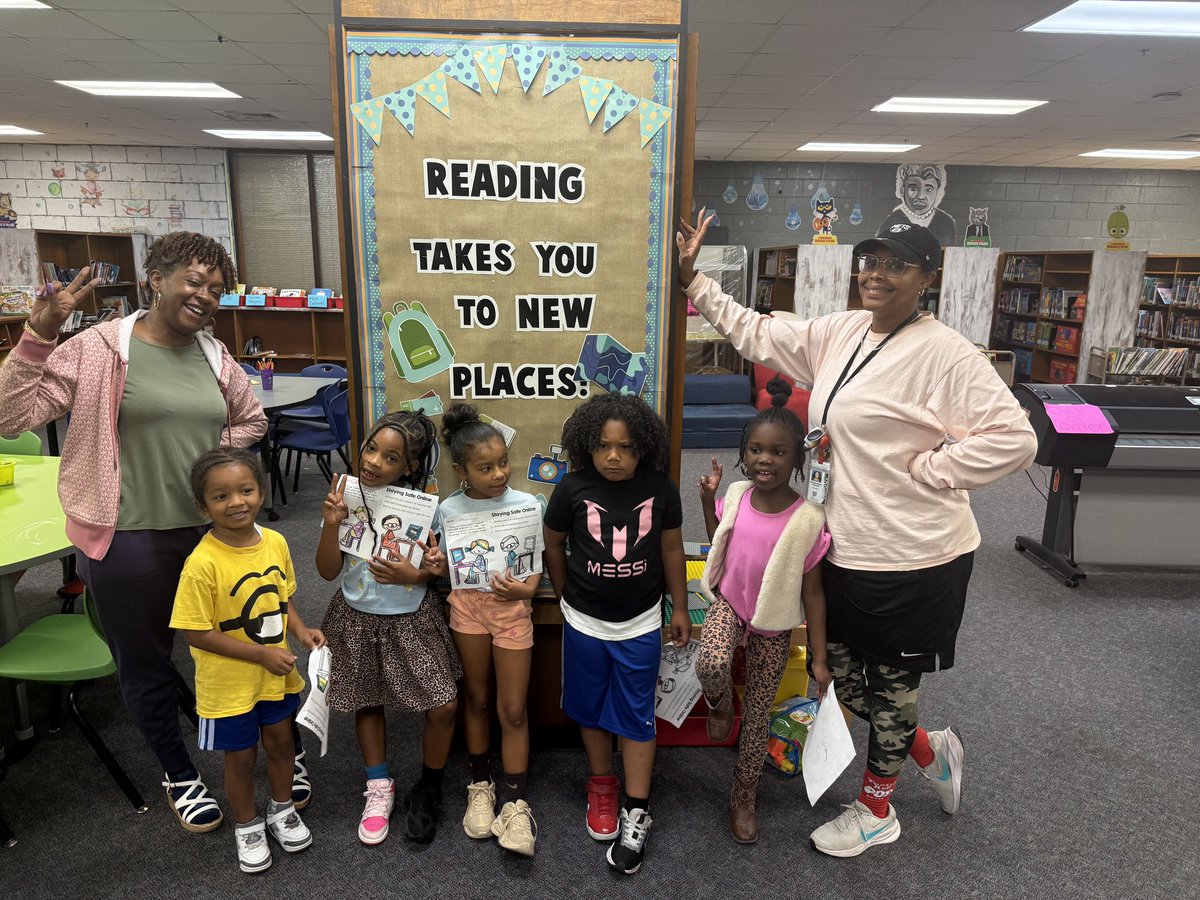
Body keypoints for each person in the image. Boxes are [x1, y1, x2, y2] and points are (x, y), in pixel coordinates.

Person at [678, 211, 1036, 858]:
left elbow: (1016, 440)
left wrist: (933, 469)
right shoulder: (841, 331)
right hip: (842, 545)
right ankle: (929, 749)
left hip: (914, 555)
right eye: (870, 261)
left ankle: (877, 810)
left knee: (892, 687)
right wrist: (694, 282)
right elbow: (759, 333)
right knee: (842, 679)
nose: (877, 274)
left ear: (927, 277)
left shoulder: (946, 353)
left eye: (896, 264)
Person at [0, 232, 315, 834]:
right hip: (127, 536)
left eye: (216, 289)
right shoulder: (97, 348)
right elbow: (11, 416)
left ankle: (281, 755)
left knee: (250, 640)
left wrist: (215, 472)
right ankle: (179, 772)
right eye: (194, 282)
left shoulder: (214, 355)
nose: (205, 296)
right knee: (147, 662)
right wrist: (37, 336)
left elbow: (249, 420)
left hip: (213, 536)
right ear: (157, 279)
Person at [543, 393, 690, 875]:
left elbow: (672, 550)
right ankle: (602, 785)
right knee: (589, 708)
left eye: (625, 448)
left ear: (642, 448)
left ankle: (636, 809)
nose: (613, 457)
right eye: (604, 446)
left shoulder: (662, 489)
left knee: (636, 714)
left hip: (642, 622)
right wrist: (564, 591)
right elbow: (554, 540)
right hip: (584, 621)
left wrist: (679, 606)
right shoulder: (571, 487)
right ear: (588, 446)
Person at [170, 449, 325, 873]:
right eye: (220, 496)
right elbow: (194, 631)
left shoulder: (274, 541)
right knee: (239, 759)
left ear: (261, 491)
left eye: (245, 490)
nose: (236, 502)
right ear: (203, 506)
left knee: (280, 746)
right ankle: (248, 825)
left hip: (275, 677)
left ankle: (280, 810)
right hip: (228, 687)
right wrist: (260, 653)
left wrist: (300, 630)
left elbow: (282, 597)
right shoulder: (201, 563)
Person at [694, 378, 832, 844]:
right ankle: (718, 706)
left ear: (797, 460)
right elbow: (721, 539)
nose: (764, 460)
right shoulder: (735, 494)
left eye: (777, 453)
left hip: (774, 624)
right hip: (730, 603)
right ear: (742, 453)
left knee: (758, 714)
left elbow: (813, 593)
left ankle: (744, 795)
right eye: (754, 450)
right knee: (710, 661)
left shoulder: (807, 518)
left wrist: (817, 657)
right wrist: (705, 502)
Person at [315, 410, 459, 847]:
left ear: (409, 467)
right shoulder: (345, 496)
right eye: (371, 448)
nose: (374, 461)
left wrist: (418, 575)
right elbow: (325, 571)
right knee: (367, 698)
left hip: (411, 618)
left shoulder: (423, 509)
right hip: (356, 616)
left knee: (443, 705)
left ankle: (430, 783)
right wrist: (332, 524)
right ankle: (378, 785)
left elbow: (436, 571)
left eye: (391, 457)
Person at [438, 403, 543, 857]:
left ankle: (516, 802)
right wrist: (435, 564)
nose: (499, 473)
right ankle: (480, 785)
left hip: (512, 611)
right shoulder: (448, 509)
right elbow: (443, 565)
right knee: (476, 697)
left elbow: (535, 573)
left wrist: (523, 589)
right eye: (485, 467)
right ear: (461, 470)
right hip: (467, 609)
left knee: (514, 708)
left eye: (503, 463)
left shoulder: (527, 505)